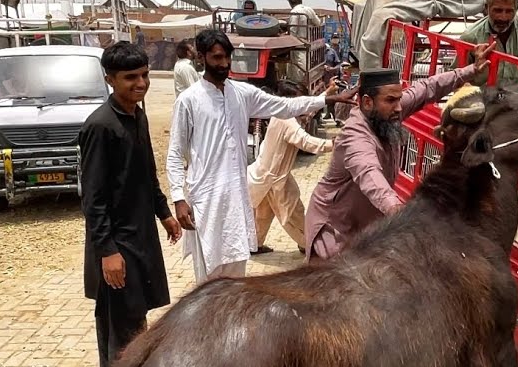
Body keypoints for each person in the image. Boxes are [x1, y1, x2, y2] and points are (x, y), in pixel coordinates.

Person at [168, 29, 356, 283]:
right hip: (205, 199)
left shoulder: (241, 93)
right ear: (201, 58)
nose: (224, 64)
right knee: (208, 280)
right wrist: (179, 198)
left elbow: (285, 106)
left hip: (236, 198)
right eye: (217, 57)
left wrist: (329, 99)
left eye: (227, 57)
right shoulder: (188, 100)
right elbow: (175, 153)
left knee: (236, 274)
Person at [304, 41, 495, 260]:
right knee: (336, 278)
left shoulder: (389, 111)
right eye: (391, 100)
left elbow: (428, 87)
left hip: (366, 225)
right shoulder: (355, 136)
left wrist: (471, 70)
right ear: (367, 102)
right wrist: (397, 209)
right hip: (335, 229)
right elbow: (369, 174)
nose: (399, 108)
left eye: (399, 99)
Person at [79, 42, 182, 367]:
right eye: (130, 78)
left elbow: (146, 173)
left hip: (140, 234)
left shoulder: (137, 116)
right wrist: (107, 251)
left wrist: (164, 213)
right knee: (118, 319)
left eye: (144, 75)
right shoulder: (100, 126)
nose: (140, 83)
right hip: (115, 242)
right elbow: (93, 199)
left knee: (136, 314)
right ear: (110, 79)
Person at [248, 81, 334, 254]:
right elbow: (306, 142)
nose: (302, 104)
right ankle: (308, 244)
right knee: (293, 212)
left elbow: (309, 108)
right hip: (274, 178)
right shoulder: (286, 120)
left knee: (263, 213)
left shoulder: (283, 114)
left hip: (265, 175)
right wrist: (332, 144)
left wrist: (328, 92)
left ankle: (254, 245)